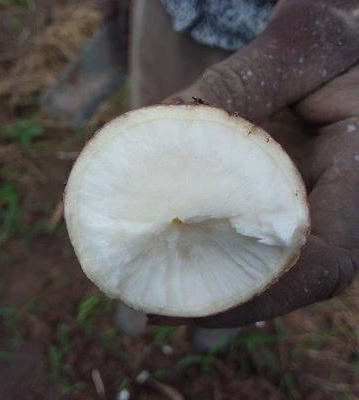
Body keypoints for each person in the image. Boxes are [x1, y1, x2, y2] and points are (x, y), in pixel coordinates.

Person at [45, 0, 359, 347]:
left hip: (303, 44)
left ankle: (220, 314)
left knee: (279, 205)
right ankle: (142, 294)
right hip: (175, 11)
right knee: (160, 107)